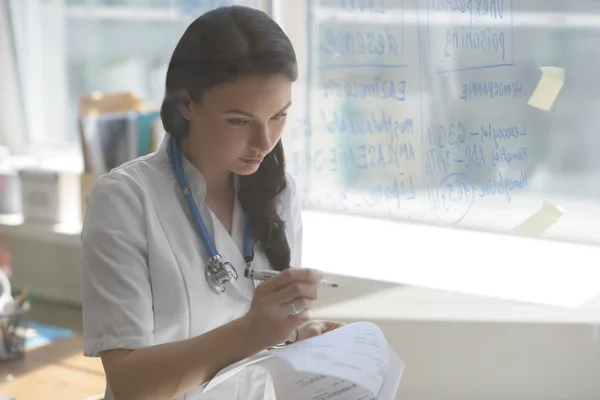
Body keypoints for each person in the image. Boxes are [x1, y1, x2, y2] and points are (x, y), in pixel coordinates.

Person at [81, 5, 344, 400]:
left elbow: (264, 343)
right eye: (240, 121)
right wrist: (250, 332)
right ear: (186, 103)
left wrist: (298, 336)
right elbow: (131, 384)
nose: (264, 142)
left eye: (279, 116)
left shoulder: (280, 191)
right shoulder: (124, 199)